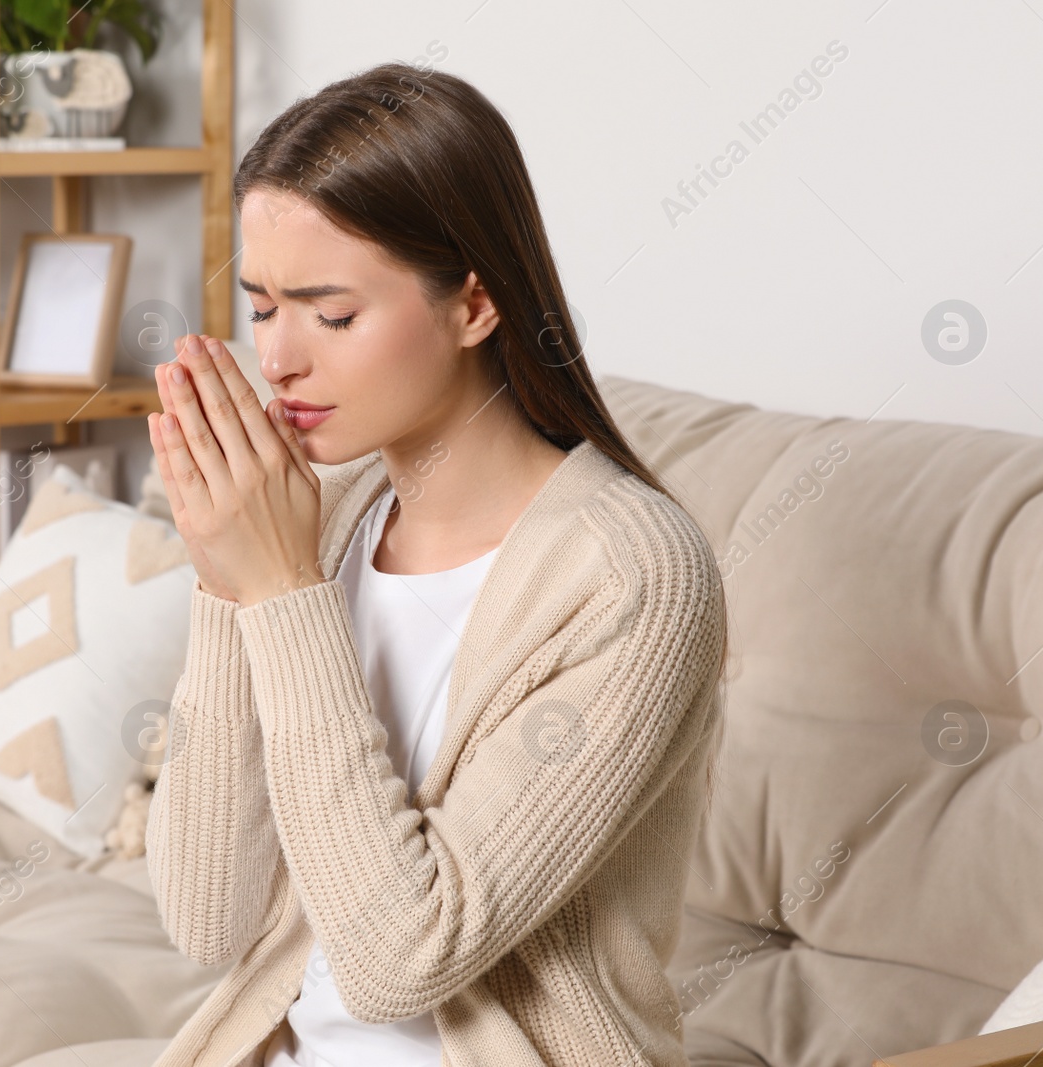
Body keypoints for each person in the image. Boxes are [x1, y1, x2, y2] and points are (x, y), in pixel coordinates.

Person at [143, 60, 730, 1067]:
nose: (279, 358)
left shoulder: (633, 577)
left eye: (331, 314)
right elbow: (208, 918)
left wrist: (281, 592)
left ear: (473, 307)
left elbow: (400, 961)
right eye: (261, 305)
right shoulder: (321, 524)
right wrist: (223, 580)